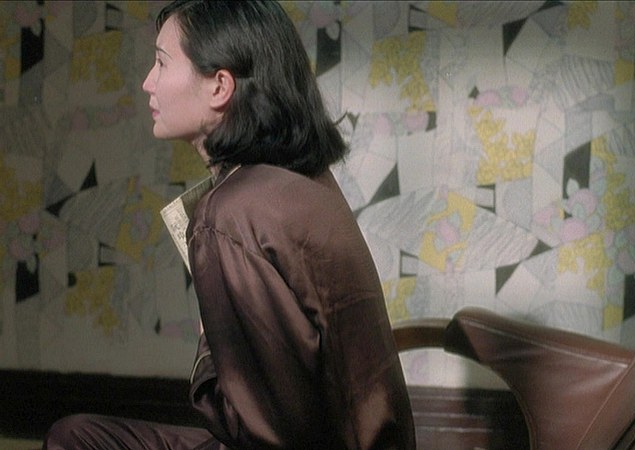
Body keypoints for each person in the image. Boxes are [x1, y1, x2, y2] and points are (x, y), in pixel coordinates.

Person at [42, 1, 415, 449]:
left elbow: (263, 434)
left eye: (161, 62)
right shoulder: (302, 180)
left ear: (220, 86)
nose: (147, 82)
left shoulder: (229, 215)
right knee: (77, 435)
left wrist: (209, 339)